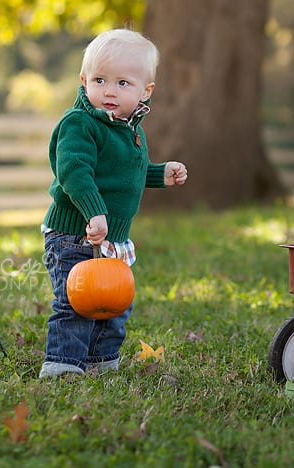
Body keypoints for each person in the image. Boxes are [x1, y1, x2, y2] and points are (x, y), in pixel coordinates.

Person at [39, 28, 187, 379]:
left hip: (112, 236)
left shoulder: (128, 128)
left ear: (144, 91)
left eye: (123, 83)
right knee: (78, 301)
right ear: (84, 80)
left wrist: (159, 174)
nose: (109, 90)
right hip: (74, 232)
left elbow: (125, 173)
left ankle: (100, 362)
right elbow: (75, 172)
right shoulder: (80, 123)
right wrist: (94, 212)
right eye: (100, 79)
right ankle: (63, 366)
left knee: (114, 302)